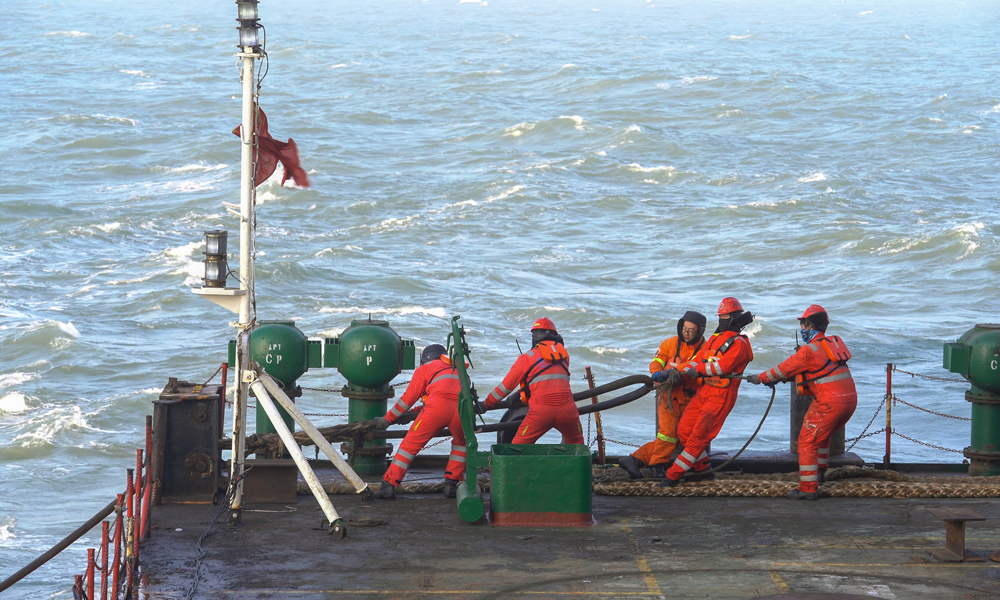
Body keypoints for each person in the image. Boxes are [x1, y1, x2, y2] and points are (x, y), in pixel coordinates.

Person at [748, 305, 857, 500]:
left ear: (810, 325)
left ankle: (807, 489)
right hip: (849, 402)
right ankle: (820, 473)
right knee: (822, 437)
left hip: (829, 403)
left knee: (806, 442)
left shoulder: (809, 351)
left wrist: (760, 378)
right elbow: (812, 371)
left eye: (804, 325)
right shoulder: (830, 344)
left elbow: (782, 370)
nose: (802, 329)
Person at [659, 297, 755, 487]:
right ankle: (703, 470)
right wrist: (677, 372)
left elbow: (723, 367)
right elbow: (697, 361)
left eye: (725, 316)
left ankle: (672, 476)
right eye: (720, 316)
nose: (722, 320)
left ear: (735, 318)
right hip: (705, 391)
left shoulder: (740, 344)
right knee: (684, 431)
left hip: (721, 396)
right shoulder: (715, 339)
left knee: (697, 439)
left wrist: (698, 370)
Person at [619, 311, 707, 479]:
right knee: (667, 433)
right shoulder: (669, 343)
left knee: (681, 436)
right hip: (668, 396)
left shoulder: (705, 349)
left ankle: (634, 459)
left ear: (700, 331)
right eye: (684, 328)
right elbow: (657, 361)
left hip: (691, 399)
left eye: (691, 330)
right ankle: (657, 465)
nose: (686, 333)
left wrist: (673, 372)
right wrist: (657, 372)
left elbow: (693, 365)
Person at [373, 344, 468, 500]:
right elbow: (449, 394)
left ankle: (388, 486)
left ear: (425, 359)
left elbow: (407, 400)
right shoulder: (459, 370)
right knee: (461, 443)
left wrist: (387, 420)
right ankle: (451, 485)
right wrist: (417, 411)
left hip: (435, 410)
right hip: (461, 410)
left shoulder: (425, 368)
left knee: (409, 447)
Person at [483, 317, 584, 444]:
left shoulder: (527, 357)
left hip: (541, 412)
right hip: (568, 411)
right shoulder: (564, 357)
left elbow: (506, 387)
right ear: (555, 336)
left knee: (519, 446)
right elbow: (550, 380)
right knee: (577, 445)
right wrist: (520, 392)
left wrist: (486, 404)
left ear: (534, 336)